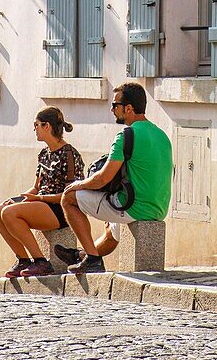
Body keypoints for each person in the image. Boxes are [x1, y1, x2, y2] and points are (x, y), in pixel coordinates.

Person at [59, 81, 173, 274]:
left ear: (128, 108)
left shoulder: (126, 135)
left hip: (133, 207)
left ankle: (92, 259)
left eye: (115, 105)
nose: (112, 109)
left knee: (68, 199)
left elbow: (103, 178)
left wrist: (78, 184)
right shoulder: (162, 135)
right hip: (158, 208)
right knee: (111, 234)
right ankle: (82, 256)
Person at [0, 106, 85, 278]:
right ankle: (23, 260)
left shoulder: (69, 154)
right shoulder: (44, 153)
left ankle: (41, 261)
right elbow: (36, 186)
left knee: (9, 214)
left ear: (46, 126)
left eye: (36, 125)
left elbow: (72, 194)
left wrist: (39, 198)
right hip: (41, 203)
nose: (34, 129)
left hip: (61, 208)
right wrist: (21, 199)